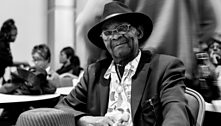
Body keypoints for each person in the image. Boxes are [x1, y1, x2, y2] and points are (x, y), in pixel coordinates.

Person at [55, 2, 193, 126]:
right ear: (103, 40)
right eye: (107, 33)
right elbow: (61, 108)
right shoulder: (93, 73)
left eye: (122, 28)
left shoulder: (165, 68)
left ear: (138, 32)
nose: (115, 36)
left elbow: (176, 116)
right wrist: (86, 119)